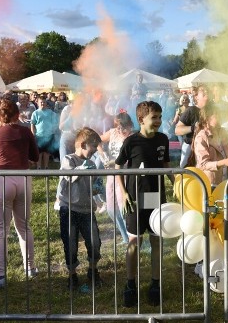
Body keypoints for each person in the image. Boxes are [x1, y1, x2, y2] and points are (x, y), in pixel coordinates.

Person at [115, 100, 172, 308]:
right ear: (141, 120)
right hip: (135, 198)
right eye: (154, 117)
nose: (158, 121)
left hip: (156, 198)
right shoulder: (131, 142)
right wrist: (123, 193)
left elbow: (166, 164)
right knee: (134, 243)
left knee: (156, 242)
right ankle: (131, 284)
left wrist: (177, 185)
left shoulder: (164, 139)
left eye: (160, 116)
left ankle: (155, 284)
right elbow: (118, 166)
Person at [0, 99, 39, 290]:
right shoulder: (25, 131)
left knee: (0, 229)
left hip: (3, 179)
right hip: (23, 179)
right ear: (17, 114)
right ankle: (30, 268)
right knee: (24, 227)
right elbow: (35, 156)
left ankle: (0, 275)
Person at [57, 127, 105, 292]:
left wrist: (98, 185)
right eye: (93, 146)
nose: (95, 151)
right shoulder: (68, 160)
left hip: (86, 210)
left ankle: (93, 270)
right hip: (69, 209)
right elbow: (68, 175)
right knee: (70, 243)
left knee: (94, 242)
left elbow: (95, 186)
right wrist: (81, 170)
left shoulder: (91, 163)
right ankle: (72, 275)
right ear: (83, 144)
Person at [99, 112, 134, 244]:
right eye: (118, 126)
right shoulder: (112, 132)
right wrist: (103, 155)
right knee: (111, 209)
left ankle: (131, 238)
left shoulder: (132, 137)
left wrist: (114, 162)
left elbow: (130, 158)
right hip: (111, 175)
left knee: (123, 207)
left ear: (129, 125)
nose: (121, 130)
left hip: (125, 175)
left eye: (123, 127)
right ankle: (125, 237)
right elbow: (97, 140)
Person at [191, 102, 228, 189]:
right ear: (207, 118)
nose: (220, 117)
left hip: (226, 181)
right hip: (210, 184)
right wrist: (223, 162)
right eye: (217, 115)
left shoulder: (223, 132)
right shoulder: (201, 137)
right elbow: (203, 164)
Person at [175, 85, 209, 168]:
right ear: (196, 97)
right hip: (190, 146)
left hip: (207, 146)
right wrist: (193, 128)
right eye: (204, 94)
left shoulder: (212, 111)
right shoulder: (191, 110)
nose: (207, 96)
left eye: (208, 94)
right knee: (186, 171)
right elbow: (177, 130)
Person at [30, 98, 59, 169]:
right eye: (41, 102)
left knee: (46, 152)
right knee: (39, 152)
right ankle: (38, 166)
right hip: (39, 135)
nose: (42, 104)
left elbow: (55, 122)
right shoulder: (35, 113)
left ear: (46, 103)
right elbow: (32, 124)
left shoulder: (51, 112)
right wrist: (33, 133)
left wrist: (54, 130)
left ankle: (46, 166)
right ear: (37, 103)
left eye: (44, 102)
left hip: (49, 135)